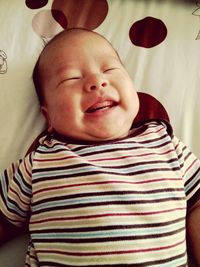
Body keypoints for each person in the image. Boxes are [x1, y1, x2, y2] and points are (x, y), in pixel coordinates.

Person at [0, 28, 200, 266]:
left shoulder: (165, 145)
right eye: (70, 78)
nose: (97, 81)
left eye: (109, 69)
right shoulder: (38, 163)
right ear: (48, 115)